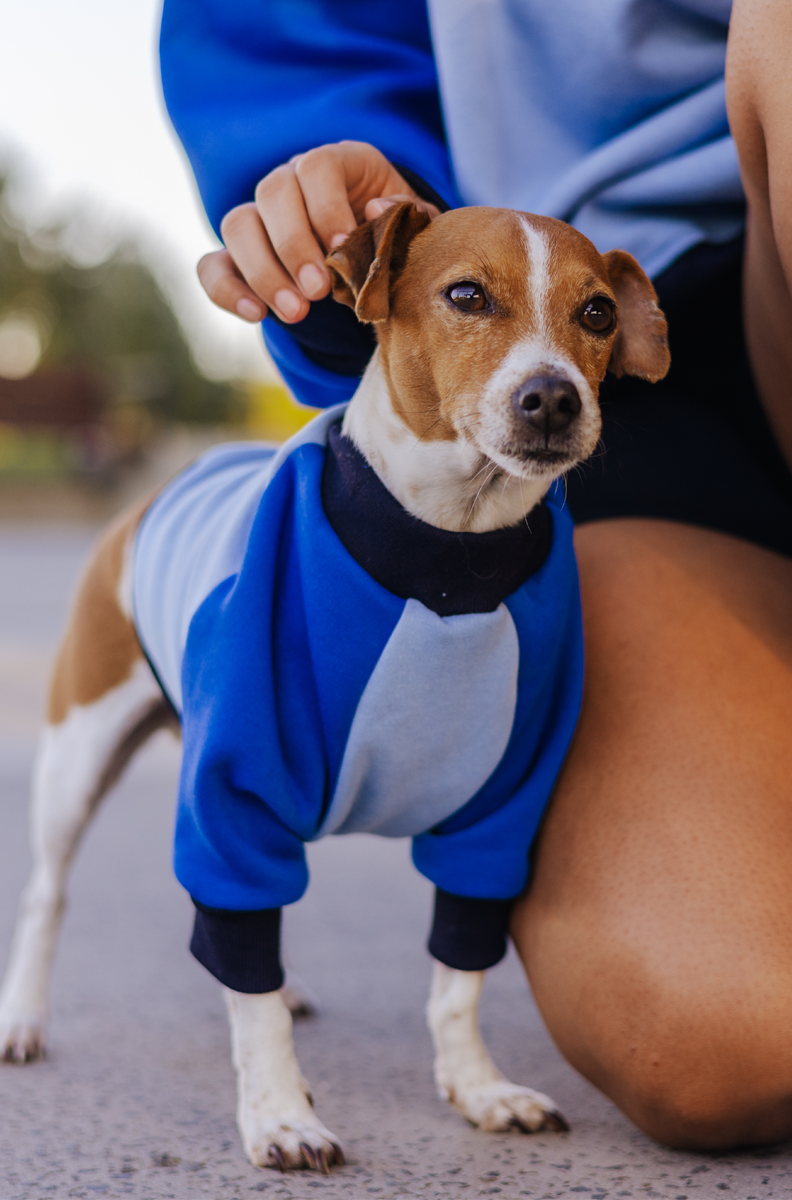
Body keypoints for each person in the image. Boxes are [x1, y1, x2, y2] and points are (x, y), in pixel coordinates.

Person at [159, 0, 792, 1148]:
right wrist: (353, 204)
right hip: (678, 400)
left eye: (596, 319)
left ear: (614, 322)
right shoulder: (575, 355)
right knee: (720, 1034)